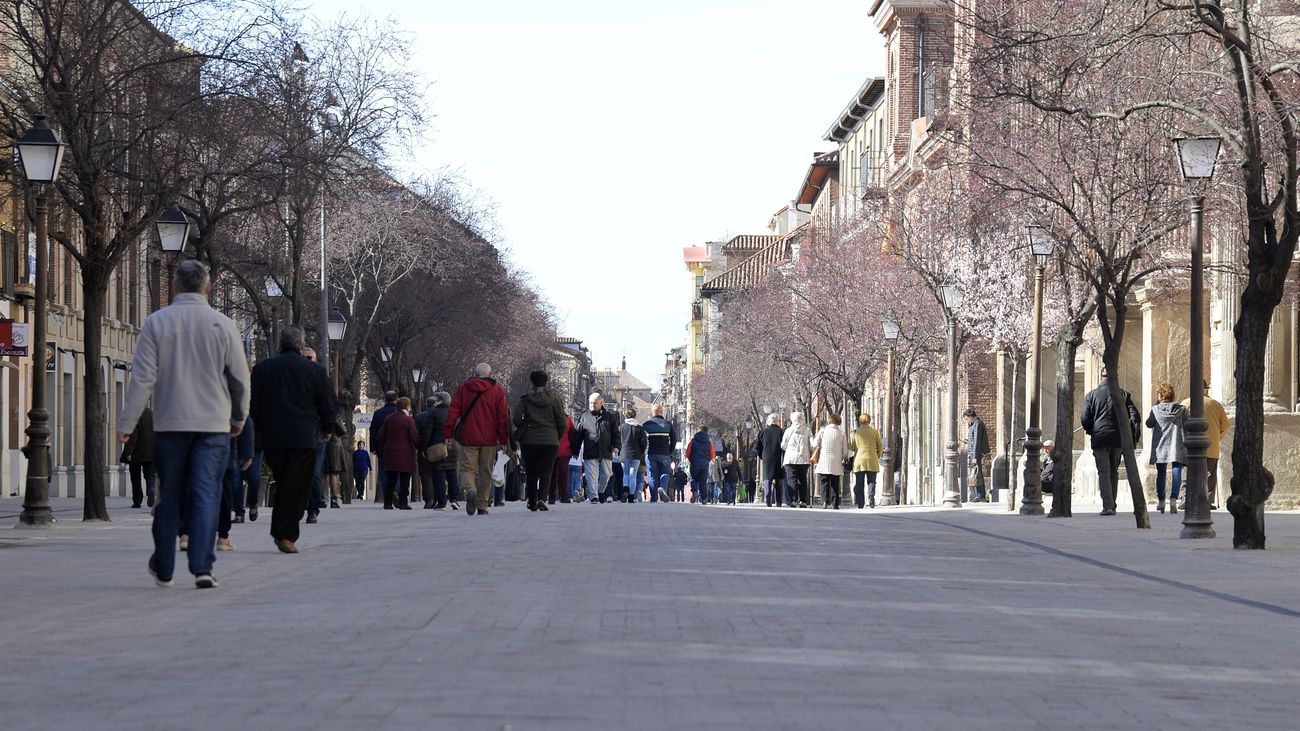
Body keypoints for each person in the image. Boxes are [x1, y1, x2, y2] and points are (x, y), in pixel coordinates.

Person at [117, 260, 250, 589]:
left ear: (175, 287)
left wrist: (128, 422)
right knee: (207, 493)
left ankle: (164, 566)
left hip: (171, 424)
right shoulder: (223, 325)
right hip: (214, 425)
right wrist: (238, 419)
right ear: (208, 288)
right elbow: (240, 380)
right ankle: (203, 567)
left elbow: (142, 378)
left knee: (170, 494)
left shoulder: (157, 323)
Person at [250, 325, 337, 554]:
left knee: (284, 481)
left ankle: (281, 532)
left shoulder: (263, 369)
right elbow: (327, 403)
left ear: (280, 344)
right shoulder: (315, 371)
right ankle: (286, 534)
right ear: (300, 346)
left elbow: (254, 405)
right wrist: (327, 428)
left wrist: (258, 431)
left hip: (273, 437)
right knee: (296, 486)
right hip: (302, 436)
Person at [444, 363, 511, 516]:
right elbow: (502, 417)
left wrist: (448, 434)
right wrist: (503, 438)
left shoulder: (463, 389)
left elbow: (453, 412)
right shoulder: (497, 390)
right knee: (486, 471)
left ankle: (471, 490)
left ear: (475, 373)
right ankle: (482, 505)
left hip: (468, 437)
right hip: (490, 438)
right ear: (490, 373)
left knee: (467, 469)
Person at [1081, 367, 1141, 516]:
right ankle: (1112, 504)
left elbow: (1085, 418)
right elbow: (1135, 416)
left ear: (1101, 377)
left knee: (1103, 472)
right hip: (1118, 438)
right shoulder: (1123, 394)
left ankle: (1107, 505)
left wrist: (1092, 430)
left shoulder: (1091, 395)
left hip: (1099, 438)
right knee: (1113, 471)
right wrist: (1133, 436)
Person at [515, 370, 568, 511]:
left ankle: (532, 501)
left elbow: (515, 418)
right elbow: (562, 422)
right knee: (547, 471)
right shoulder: (554, 399)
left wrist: (525, 425)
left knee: (531, 471)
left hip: (529, 441)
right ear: (546, 382)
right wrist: (556, 436)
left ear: (531, 382)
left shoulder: (525, 399)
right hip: (550, 441)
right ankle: (542, 499)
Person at [1181, 380, 1231, 510]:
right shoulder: (1216, 404)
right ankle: (1207, 501)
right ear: (1206, 390)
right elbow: (1225, 425)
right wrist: (1217, 437)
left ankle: (1185, 498)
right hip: (1211, 445)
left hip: (1190, 444)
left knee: (1187, 472)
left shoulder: (1185, 403)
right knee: (1209, 474)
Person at [1146, 383, 1187, 515]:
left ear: (1160, 395)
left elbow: (1148, 424)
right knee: (1177, 470)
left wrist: (1156, 407)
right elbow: (1188, 423)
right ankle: (1174, 499)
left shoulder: (1155, 409)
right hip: (1177, 444)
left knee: (1161, 473)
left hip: (1161, 445)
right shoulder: (1181, 409)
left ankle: (1162, 500)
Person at [573, 393, 621, 504]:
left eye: (595, 403)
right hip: (590, 451)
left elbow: (615, 433)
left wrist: (617, 446)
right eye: (590, 403)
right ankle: (593, 496)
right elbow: (578, 435)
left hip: (606, 451)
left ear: (601, 403)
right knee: (591, 475)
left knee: (607, 474)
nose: (592, 405)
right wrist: (575, 451)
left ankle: (600, 491)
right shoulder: (584, 417)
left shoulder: (609, 417)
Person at [217, 417, 254, 552]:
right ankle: (222, 536)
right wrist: (248, 451)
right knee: (226, 486)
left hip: (195, 433)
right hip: (226, 434)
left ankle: (186, 533)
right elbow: (242, 412)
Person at [376, 397, 419, 510]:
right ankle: (403, 503)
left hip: (390, 452)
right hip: (405, 454)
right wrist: (420, 447)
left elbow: (380, 435)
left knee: (391, 479)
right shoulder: (408, 420)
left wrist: (384, 445)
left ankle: (388, 503)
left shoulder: (388, 419)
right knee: (405, 478)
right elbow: (414, 436)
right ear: (406, 406)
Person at [302, 347, 327, 524]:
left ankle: (313, 509)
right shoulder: (291, 377)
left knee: (315, 472)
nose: (306, 360)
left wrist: (327, 429)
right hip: (295, 431)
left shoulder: (320, 377)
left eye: (309, 358)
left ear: (316, 360)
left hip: (316, 432)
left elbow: (328, 405)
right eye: (303, 357)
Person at [426, 392, 461, 510]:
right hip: (453, 446)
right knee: (452, 473)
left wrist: (424, 447)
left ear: (439, 400)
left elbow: (428, 432)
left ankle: (442, 503)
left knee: (439, 474)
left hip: (438, 447)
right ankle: (454, 499)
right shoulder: (454, 413)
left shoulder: (433, 413)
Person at [812, 414, 849, 509]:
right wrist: (844, 458)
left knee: (824, 481)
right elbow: (845, 451)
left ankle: (824, 501)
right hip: (836, 461)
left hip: (824, 459)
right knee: (835, 483)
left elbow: (815, 443)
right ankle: (835, 503)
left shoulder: (823, 431)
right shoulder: (842, 433)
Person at [121, 406, 156, 509]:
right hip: (151, 451)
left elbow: (133, 436)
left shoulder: (134, 415)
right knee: (150, 474)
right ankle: (151, 488)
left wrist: (128, 452)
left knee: (135, 477)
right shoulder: (152, 413)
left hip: (136, 453)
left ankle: (137, 501)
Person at [643, 404, 678, 502]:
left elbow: (642, 439)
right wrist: (670, 451)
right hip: (664, 453)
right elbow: (674, 439)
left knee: (652, 475)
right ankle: (662, 488)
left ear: (652, 411)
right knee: (665, 472)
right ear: (661, 411)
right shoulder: (667, 424)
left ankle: (653, 498)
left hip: (651, 453)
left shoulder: (646, 424)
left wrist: (644, 451)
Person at [369, 391, 399, 503]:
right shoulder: (400, 413)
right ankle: (395, 490)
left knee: (383, 471)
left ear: (385, 399)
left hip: (382, 447)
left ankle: (388, 494)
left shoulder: (378, 413)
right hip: (397, 447)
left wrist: (373, 447)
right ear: (396, 399)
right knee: (397, 470)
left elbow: (373, 431)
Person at [851, 413, 883, 508]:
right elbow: (880, 446)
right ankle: (871, 497)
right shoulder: (875, 432)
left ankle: (860, 503)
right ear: (869, 421)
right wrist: (877, 456)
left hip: (859, 460)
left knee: (859, 483)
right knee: (871, 481)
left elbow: (851, 446)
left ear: (860, 421)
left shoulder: (855, 432)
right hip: (872, 459)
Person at [781, 412, 813, 508]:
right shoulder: (807, 430)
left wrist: (789, 448)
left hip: (790, 459)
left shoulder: (788, 431)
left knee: (792, 479)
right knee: (803, 479)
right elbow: (812, 443)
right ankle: (803, 500)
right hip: (804, 458)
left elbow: (783, 445)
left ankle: (794, 500)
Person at [618, 406, 649, 504]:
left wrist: (619, 451)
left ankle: (625, 489)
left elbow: (617, 441)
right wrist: (641, 452)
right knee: (633, 475)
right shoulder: (639, 428)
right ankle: (631, 496)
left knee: (625, 474)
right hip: (636, 455)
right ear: (635, 416)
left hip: (623, 454)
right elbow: (644, 443)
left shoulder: (621, 427)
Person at [756, 414, 785, 507]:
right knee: (778, 480)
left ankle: (768, 500)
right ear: (777, 421)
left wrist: (762, 456)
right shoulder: (781, 432)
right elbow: (784, 446)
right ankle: (779, 501)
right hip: (778, 458)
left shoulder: (763, 432)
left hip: (767, 459)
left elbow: (757, 447)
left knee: (767, 479)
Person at [962, 408, 991, 502]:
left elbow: (977, 441)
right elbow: (973, 440)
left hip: (977, 453)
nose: (966, 421)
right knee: (977, 473)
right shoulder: (973, 424)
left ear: (970, 416)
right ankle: (979, 494)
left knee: (977, 473)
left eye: (966, 419)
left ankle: (980, 495)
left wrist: (974, 457)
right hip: (974, 452)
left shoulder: (977, 424)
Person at [550, 413, 577, 504]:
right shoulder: (549, 417)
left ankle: (563, 495)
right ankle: (552, 495)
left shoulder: (567, 419)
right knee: (552, 473)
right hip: (551, 449)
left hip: (564, 450)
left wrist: (574, 450)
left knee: (563, 472)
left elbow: (572, 434)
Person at [685, 424, 715, 503]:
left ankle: (694, 491)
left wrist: (690, 459)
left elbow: (688, 451)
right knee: (703, 481)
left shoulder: (693, 440)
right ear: (707, 432)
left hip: (695, 462)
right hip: (705, 464)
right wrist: (708, 460)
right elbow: (712, 453)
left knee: (693, 478)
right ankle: (704, 498)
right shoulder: (708, 442)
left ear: (699, 430)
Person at [324, 432, 346, 509]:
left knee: (324, 472)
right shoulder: (336, 419)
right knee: (334, 472)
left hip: (322, 439)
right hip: (334, 443)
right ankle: (333, 498)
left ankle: (322, 497)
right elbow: (342, 429)